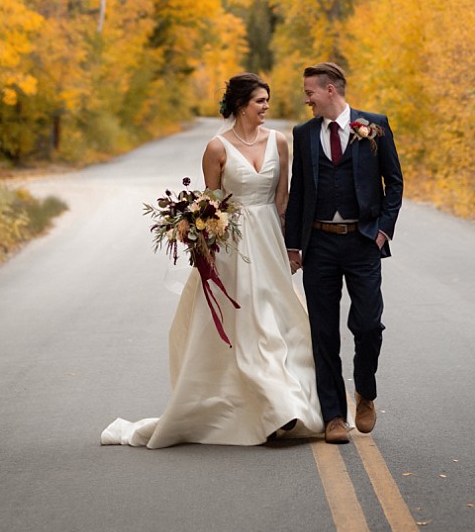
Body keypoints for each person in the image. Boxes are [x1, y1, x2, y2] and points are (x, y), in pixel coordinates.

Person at [100, 73, 323, 448]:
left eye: (267, 100)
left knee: (279, 320)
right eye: (259, 101)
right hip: (234, 248)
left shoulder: (280, 143)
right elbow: (211, 204)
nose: (266, 107)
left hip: (268, 239)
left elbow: (284, 201)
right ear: (240, 105)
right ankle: (274, 409)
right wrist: (199, 236)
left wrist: (291, 247)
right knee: (249, 325)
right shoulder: (217, 148)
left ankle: (287, 403)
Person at [285, 61, 403, 445]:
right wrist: (293, 245)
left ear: (330, 90)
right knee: (322, 333)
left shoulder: (374, 125)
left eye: (310, 93)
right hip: (319, 244)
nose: (307, 100)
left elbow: (395, 182)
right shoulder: (303, 134)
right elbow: (298, 191)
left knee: (369, 325)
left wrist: (382, 231)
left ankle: (365, 391)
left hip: (363, 241)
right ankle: (334, 416)